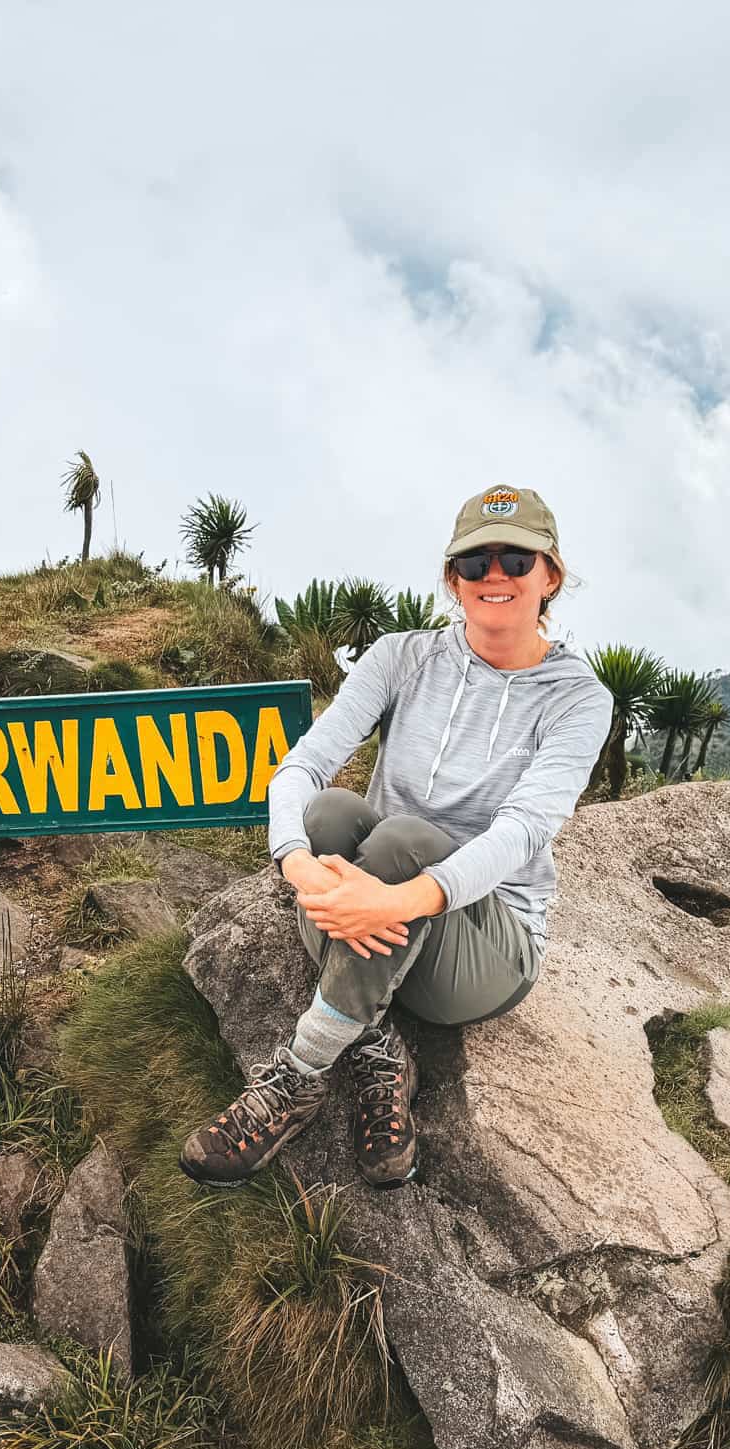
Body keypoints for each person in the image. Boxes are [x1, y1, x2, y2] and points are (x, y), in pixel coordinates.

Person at [179, 484, 614, 1190]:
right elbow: (302, 768)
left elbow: (524, 830)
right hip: (375, 910)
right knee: (325, 817)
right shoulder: (401, 656)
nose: (494, 575)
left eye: (515, 558)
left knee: (403, 838)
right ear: (453, 579)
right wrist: (296, 863)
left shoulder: (578, 698)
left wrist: (402, 899)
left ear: (550, 576)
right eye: (475, 563)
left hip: (483, 948)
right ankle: (374, 1039)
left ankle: (303, 1070)